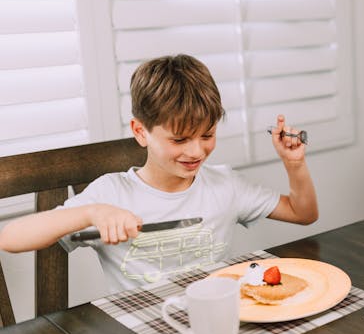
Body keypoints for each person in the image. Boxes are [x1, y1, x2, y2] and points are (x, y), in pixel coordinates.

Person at [0, 54, 318, 292]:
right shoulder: (112, 194)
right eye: (179, 139)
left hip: (219, 318)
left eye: (207, 135)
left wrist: (294, 165)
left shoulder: (225, 185)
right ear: (141, 131)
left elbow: (302, 213)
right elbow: (10, 238)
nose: (196, 152)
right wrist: (91, 213)